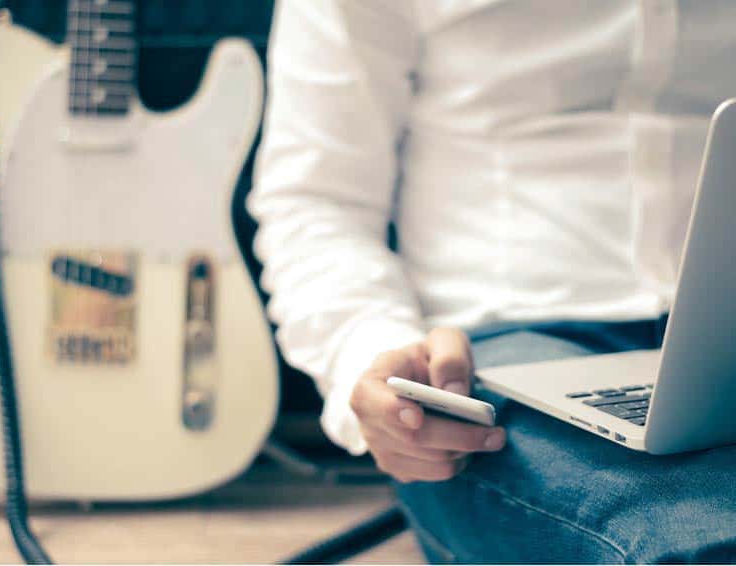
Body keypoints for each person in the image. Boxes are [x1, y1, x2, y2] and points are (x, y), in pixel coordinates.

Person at [248, 1, 736, 562]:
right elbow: (317, 203)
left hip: (721, 334)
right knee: (696, 545)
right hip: (508, 347)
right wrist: (377, 359)